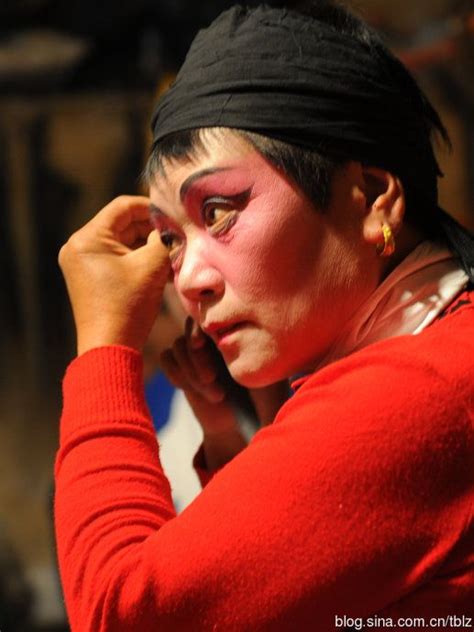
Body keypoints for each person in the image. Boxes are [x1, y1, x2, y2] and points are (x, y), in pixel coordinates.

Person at [55, 1, 474, 630]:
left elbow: (124, 613)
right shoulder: (434, 353)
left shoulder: (419, 393)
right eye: (169, 239)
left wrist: (102, 351)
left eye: (220, 209)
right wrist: (236, 445)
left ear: (372, 196)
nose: (188, 279)